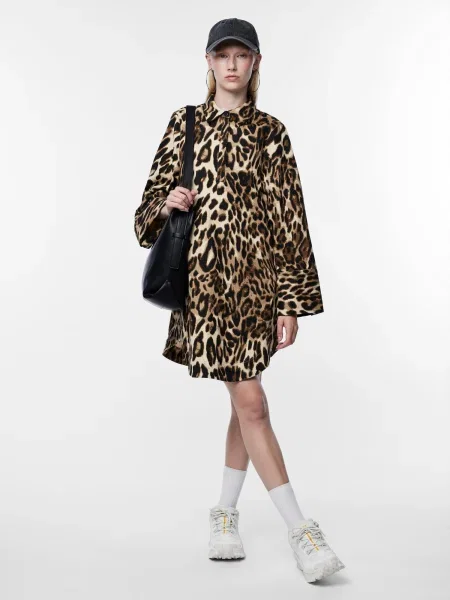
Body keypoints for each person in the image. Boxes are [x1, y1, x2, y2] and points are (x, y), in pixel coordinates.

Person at [134, 18, 345, 584]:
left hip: (255, 292)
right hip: (204, 292)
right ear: (208, 61)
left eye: (241, 55)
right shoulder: (185, 123)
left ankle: (225, 514)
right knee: (252, 404)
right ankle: (301, 530)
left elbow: (290, 221)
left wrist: (291, 299)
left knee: (244, 405)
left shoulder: (271, 133)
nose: (231, 64)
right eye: (221, 54)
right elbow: (144, 214)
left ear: (255, 63)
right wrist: (168, 202)